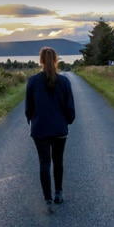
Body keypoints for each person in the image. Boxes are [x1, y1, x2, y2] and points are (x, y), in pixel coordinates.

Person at [25, 47, 75, 213]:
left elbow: (28, 109)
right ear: (56, 60)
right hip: (60, 128)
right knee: (58, 160)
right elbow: (70, 109)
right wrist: (66, 121)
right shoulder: (65, 82)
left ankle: (47, 199)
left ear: (40, 61)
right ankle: (59, 193)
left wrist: (33, 120)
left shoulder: (32, 82)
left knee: (44, 163)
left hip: (40, 129)